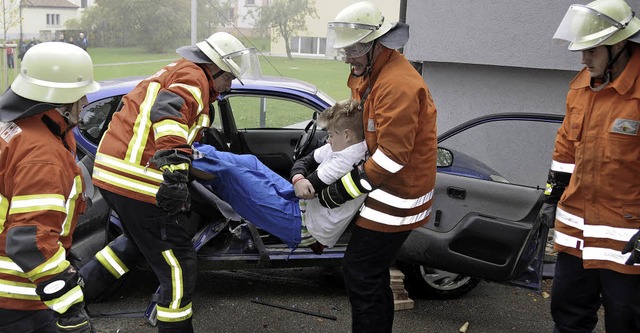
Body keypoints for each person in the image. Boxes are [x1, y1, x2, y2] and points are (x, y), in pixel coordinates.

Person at [78, 32, 260, 332]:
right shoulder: (193, 77)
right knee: (179, 262)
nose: (230, 85)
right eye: (229, 77)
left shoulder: (181, 72)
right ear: (213, 68)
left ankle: (79, 294)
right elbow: (167, 114)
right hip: (136, 179)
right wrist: (175, 173)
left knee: (136, 244)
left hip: (114, 175)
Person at [322, 2, 438, 332]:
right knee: (370, 274)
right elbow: (364, 130)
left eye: (355, 49)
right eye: (345, 48)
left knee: (360, 272)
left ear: (377, 43)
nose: (348, 56)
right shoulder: (373, 73)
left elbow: (391, 156)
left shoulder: (396, 84)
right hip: (387, 188)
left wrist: (338, 191)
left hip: (398, 195)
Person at [547, 0, 640, 331]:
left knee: (625, 319)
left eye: (592, 50)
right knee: (567, 313)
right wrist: (551, 195)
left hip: (628, 239)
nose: (584, 59)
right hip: (578, 232)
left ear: (617, 45)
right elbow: (565, 151)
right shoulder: (581, 87)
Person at [0, 42, 100, 332]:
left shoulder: (18, 128)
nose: (84, 103)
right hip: (17, 296)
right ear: (59, 100)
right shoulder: (43, 156)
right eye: (80, 95)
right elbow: (29, 242)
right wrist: (69, 303)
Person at [189, 98, 368, 252]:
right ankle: (191, 148)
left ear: (346, 135)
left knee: (232, 175)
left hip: (304, 226)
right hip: (302, 205)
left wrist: (299, 179)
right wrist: (298, 178)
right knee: (250, 162)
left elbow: (305, 187)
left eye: (330, 135)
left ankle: (182, 156)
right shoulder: (343, 145)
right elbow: (304, 162)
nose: (327, 140)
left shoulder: (346, 161)